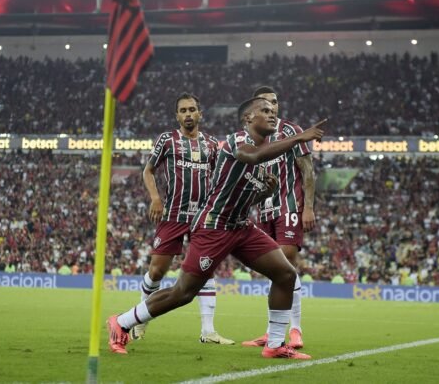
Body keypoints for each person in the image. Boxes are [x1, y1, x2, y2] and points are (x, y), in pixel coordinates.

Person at [107, 97, 326, 359]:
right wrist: (299, 138)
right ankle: (121, 322)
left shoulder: (262, 158)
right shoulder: (236, 141)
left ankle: (276, 344)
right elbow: (252, 155)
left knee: (286, 275)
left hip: (242, 228)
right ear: (248, 119)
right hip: (214, 226)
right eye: (264, 111)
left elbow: (241, 195)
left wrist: (263, 192)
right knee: (184, 292)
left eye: (273, 112)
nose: (272, 115)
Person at [132, 93, 234, 345]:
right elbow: (148, 170)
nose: (188, 114)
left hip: (203, 217)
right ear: (177, 115)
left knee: (205, 269)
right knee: (157, 270)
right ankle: (141, 317)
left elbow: (220, 176)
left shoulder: (211, 144)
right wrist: (156, 198)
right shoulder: (167, 140)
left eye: (192, 110)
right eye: (183, 110)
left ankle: (208, 331)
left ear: (200, 113)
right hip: (174, 214)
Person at [242, 86, 316, 350]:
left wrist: (308, 207)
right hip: (263, 211)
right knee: (273, 270)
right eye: (266, 104)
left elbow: (307, 170)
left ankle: (295, 329)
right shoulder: (253, 137)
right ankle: (272, 331)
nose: (272, 108)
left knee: (286, 263)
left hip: (289, 206)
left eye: (275, 103)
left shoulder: (292, 132)